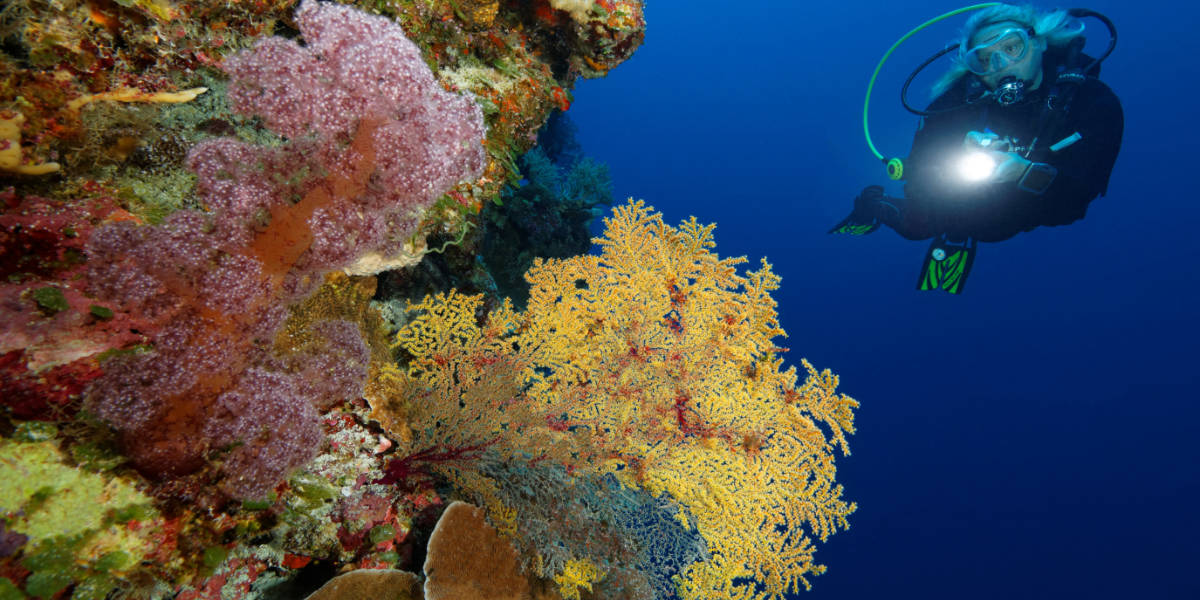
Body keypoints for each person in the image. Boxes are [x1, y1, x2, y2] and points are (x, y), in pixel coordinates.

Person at [832, 3, 1123, 293]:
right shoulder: (958, 101)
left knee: (995, 228)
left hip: (1034, 207)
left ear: (1039, 42)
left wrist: (1023, 172)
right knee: (917, 225)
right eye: (984, 59)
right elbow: (917, 177)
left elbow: (1078, 201)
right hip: (960, 198)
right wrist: (955, 150)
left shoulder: (1092, 102)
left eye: (1011, 48)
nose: (1000, 67)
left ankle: (962, 228)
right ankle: (871, 205)